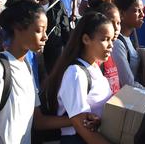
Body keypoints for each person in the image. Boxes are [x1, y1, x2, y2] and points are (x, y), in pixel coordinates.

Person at [0, 0, 72, 144]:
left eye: (46, 30)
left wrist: (78, 120)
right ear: (18, 28)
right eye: (39, 30)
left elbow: (38, 121)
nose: (45, 37)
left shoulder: (26, 67)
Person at [43, 12, 115, 144]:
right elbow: (81, 125)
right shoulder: (75, 73)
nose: (111, 45)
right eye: (105, 39)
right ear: (86, 39)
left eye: (112, 39)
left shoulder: (94, 68)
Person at [85, 0, 121, 94]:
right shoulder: (90, 61)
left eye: (118, 23)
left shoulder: (108, 52)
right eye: (111, 23)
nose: (116, 28)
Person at [111, 0, 143, 87]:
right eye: (136, 11)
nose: (142, 15)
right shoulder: (117, 44)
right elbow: (128, 83)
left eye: (142, 10)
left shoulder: (128, 39)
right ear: (122, 14)